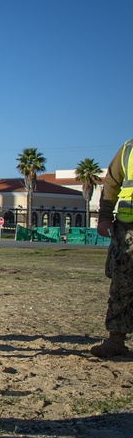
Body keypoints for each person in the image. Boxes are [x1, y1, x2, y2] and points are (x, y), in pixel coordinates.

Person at [90, 139, 133, 358]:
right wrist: (105, 217)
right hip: (127, 229)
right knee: (121, 284)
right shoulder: (128, 149)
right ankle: (116, 339)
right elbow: (112, 184)